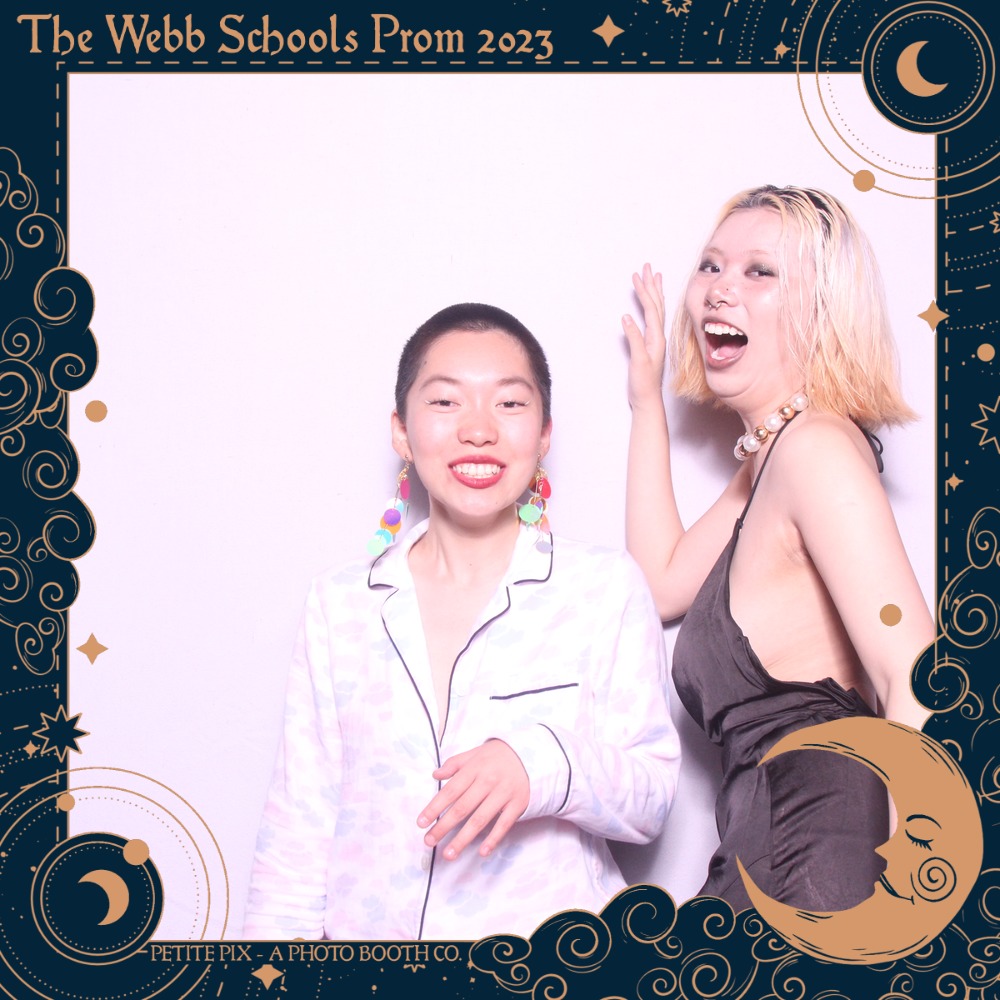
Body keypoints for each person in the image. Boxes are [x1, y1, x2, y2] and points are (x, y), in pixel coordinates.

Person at [244, 303, 680, 940]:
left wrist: (540, 762)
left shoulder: (602, 588)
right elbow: (298, 831)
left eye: (510, 404)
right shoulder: (340, 605)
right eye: (446, 402)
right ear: (401, 431)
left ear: (545, 434)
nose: (479, 430)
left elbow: (652, 797)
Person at [621, 185, 934, 912]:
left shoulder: (815, 450)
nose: (719, 289)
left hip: (817, 877)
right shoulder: (770, 460)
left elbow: (914, 675)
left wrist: (918, 902)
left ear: (822, 310)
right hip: (765, 866)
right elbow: (658, 585)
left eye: (759, 271)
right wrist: (646, 403)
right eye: (710, 266)